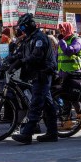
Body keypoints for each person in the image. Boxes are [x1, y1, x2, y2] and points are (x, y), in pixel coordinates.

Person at [11, 13, 57, 144]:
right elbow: (20, 52)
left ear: (29, 26)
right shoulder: (29, 38)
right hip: (36, 74)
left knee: (36, 103)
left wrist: (21, 62)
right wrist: (10, 61)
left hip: (43, 73)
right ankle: (52, 133)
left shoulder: (39, 38)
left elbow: (36, 57)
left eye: (23, 27)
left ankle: (27, 134)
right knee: (47, 104)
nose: (21, 30)